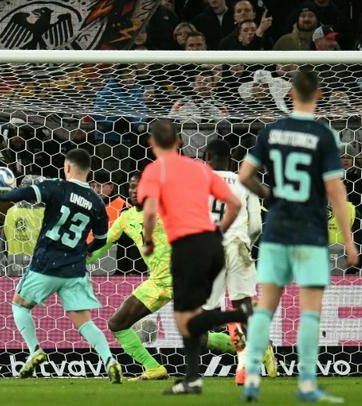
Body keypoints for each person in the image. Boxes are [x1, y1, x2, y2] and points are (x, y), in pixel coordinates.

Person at [239, 70, 357, 402]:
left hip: (276, 230)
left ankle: (251, 378)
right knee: (310, 310)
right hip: (310, 232)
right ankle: (306, 383)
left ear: (290, 94)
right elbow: (335, 189)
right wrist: (349, 241)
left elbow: (245, 175)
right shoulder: (323, 135)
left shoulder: (272, 131)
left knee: (265, 306)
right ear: (318, 95)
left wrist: (269, 194)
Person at [0, 149, 123, 383]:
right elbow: (102, 240)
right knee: (84, 321)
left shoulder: (58, 187)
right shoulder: (96, 201)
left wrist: (0, 197)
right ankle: (109, 360)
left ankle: (35, 351)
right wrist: (86, 251)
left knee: (20, 305)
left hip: (46, 263)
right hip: (75, 269)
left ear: (67, 167)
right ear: (88, 171)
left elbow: (27, 192)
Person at [87, 172, 237, 381]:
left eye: (138, 187)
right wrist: (78, 261)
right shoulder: (126, 218)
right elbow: (102, 245)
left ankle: (254, 348)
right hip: (158, 282)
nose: (133, 191)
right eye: (130, 187)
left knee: (200, 339)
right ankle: (153, 368)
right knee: (117, 324)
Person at [137, 119, 248, 395]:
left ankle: (242, 315)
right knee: (189, 317)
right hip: (212, 245)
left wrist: (148, 241)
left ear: (151, 144)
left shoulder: (155, 170)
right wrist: (218, 232)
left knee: (187, 318)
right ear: (179, 141)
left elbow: (149, 211)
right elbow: (234, 204)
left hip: (188, 248)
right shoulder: (199, 168)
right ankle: (193, 378)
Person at [201, 140, 277, 385]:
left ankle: (235, 331)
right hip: (238, 244)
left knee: (209, 312)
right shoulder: (245, 182)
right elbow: (256, 226)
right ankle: (249, 359)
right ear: (231, 158)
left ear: (207, 156)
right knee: (243, 304)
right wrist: (245, 244)